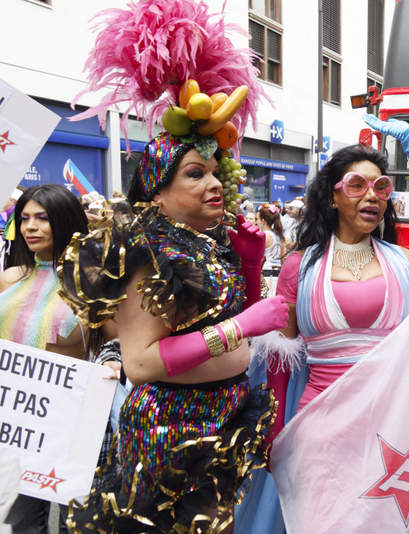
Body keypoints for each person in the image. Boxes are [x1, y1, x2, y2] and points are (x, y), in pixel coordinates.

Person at [56, 0, 288, 530]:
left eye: (214, 172)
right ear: (158, 192)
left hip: (221, 415)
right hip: (170, 431)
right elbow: (139, 364)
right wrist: (241, 327)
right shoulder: (146, 251)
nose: (213, 184)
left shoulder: (207, 240)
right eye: (194, 174)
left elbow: (226, 318)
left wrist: (250, 266)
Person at [235, 137, 409, 532]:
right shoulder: (298, 267)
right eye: (357, 185)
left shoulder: (405, 262)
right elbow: (278, 359)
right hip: (320, 430)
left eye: (381, 187)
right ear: (332, 197)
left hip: (393, 430)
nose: (371, 196)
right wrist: (273, 433)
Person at [0, 184, 114, 533]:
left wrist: (113, 361)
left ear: (64, 220)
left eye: (42, 218)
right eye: (24, 219)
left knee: (76, 525)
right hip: (17, 424)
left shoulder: (93, 283)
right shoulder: (9, 278)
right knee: (19, 524)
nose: (30, 227)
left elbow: (119, 341)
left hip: (73, 422)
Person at [257, 203, 286, 298]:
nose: (256, 222)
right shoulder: (279, 235)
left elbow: (259, 259)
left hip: (266, 276)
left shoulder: (264, 236)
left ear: (263, 220)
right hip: (278, 276)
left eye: (257, 219)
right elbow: (283, 258)